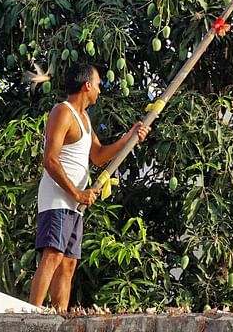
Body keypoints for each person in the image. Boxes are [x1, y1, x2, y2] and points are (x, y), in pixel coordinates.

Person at [28, 62, 150, 311]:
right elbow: (50, 160)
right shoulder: (63, 112)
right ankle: (31, 315)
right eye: (97, 84)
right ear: (86, 85)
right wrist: (76, 193)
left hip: (75, 203)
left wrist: (130, 136)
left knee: (69, 263)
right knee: (53, 255)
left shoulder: (84, 119)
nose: (99, 90)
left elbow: (98, 155)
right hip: (59, 198)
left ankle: (59, 316)